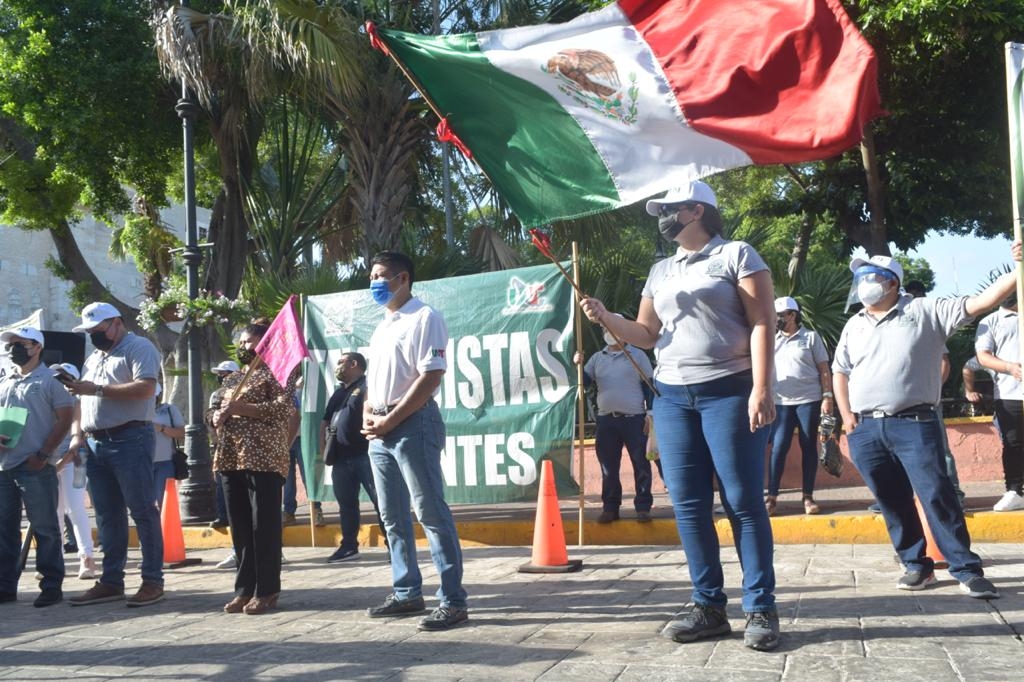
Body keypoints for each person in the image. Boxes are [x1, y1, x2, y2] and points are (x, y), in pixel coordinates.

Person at [580, 180, 781, 651]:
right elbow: (647, 334)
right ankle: (708, 606)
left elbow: (762, 322)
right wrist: (607, 316)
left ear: (696, 210)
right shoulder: (660, 270)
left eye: (669, 210)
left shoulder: (737, 255)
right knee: (689, 506)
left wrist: (762, 387)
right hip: (670, 397)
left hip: (729, 392)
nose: (662, 218)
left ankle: (760, 608)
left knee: (742, 502)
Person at [833, 251, 1021, 600]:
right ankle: (915, 564)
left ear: (892, 282)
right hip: (867, 429)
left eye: (870, 276)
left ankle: (965, 568)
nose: (863, 284)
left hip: (915, 422)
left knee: (937, 494)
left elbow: (983, 301)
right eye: (860, 277)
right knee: (891, 500)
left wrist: (1019, 269)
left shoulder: (926, 311)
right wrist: (847, 418)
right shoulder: (854, 323)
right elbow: (840, 371)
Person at [361, 250, 469, 631]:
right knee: (392, 517)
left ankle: (453, 600)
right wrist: (370, 415)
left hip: (413, 425)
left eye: (381, 275)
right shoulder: (383, 324)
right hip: (380, 430)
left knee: (431, 514)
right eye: (372, 274)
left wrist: (392, 418)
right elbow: (375, 381)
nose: (374, 282)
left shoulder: (425, 317)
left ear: (403, 278)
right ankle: (407, 591)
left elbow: (430, 377)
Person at [65, 303, 165, 607]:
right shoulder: (94, 357)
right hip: (95, 443)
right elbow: (81, 400)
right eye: (90, 332)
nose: (94, 336)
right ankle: (111, 581)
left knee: (142, 511)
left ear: (117, 323)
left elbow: (147, 388)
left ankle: (152, 581)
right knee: (108, 516)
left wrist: (96, 389)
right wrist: (77, 435)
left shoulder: (139, 347)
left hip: (129, 437)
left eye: (98, 330)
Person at [212, 321, 296, 615]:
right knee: (240, 526)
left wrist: (241, 409)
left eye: (249, 342)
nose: (243, 347)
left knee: (264, 525)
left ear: (265, 344)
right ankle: (244, 589)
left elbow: (283, 408)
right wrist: (216, 416)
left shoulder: (279, 373)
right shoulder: (233, 379)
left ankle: (267, 589)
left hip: (263, 457)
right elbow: (215, 408)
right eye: (242, 342)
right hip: (230, 456)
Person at [0, 327, 75, 607]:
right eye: (12, 345)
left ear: (37, 347)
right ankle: (6, 586)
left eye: (21, 344)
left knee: (45, 528)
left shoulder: (49, 382)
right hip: (5, 467)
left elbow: (65, 420)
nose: (14, 349)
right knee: (4, 529)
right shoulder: (5, 381)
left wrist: (44, 455)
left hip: (35, 466)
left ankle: (51, 585)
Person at [575, 317, 656, 523]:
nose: (609, 331)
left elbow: (650, 385)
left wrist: (651, 413)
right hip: (607, 421)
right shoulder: (597, 358)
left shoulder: (637, 355)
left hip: (634, 419)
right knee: (608, 466)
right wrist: (578, 364)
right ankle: (610, 507)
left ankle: (643, 507)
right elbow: (583, 382)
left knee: (641, 463)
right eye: (605, 328)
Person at [766, 297, 832, 516]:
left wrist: (827, 396)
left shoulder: (811, 337)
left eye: (780, 315)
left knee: (807, 445)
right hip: (781, 403)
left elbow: (824, 369)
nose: (777, 319)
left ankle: (808, 497)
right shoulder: (771, 340)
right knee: (779, 447)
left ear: (792, 315)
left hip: (809, 401)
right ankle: (772, 497)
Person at [321, 352, 387, 563]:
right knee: (346, 504)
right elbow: (325, 421)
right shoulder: (339, 393)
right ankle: (349, 546)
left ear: (354, 364)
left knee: (382, 502)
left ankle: (393, 546)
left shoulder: (367, 386)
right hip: (340, 458)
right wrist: (323, 447)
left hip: (365, 455)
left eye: (341, 362)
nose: (338, 366)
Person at [974, 292, 1024, 511]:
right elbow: (983, 356)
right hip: (1009, 393)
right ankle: (1016, 490)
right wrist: (1010, 367)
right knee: (1013, 443)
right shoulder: (990, 321)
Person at [49, 362, 97, 581]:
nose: (58, 380)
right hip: (49, 463)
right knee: (55, 512)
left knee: (75, 507)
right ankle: (55, 559)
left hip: (75, 462)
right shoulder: (46, 402)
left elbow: (80, 438)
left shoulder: (80, 402)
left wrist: (62, 461)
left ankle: (87, 557)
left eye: (63, 377)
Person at [207, 360, 239, 532]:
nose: (221, 377)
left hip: (241, 445)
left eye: (224, 374)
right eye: (219, 374)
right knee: (221, 482)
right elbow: (211, 418)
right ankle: (222, 515)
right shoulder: (216, 395)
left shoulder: (245, 392)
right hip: (221, 444)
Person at [152, 384, 185, 511]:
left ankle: (166, 530)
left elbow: (181, 433)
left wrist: (161, 428)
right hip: (141, 463)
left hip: (165, 463)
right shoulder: (134, 410)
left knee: (165, 503)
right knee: (145, 506)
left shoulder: (169, 409)